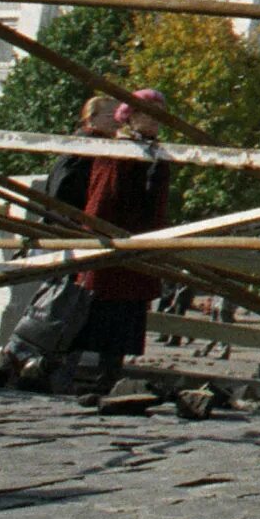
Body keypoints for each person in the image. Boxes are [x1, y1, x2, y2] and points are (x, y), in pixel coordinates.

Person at [66, 90, 175, 397]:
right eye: (148, 114)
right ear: (132, 116)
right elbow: (104, 197)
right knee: (94, 312)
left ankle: (110, 376)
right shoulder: (120, 149)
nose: (154, 122)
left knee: (124, 316)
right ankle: (68, 373)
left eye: (158, 116)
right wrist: (99, 239)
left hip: (140, 244)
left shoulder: (154, 150)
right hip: (115, 241)